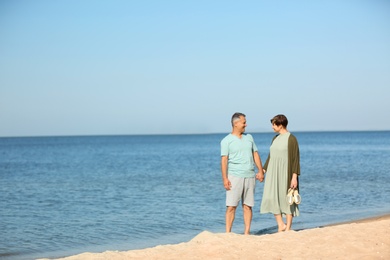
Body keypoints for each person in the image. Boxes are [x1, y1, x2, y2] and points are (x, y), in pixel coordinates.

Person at [220, 112, 264, 235]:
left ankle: (247, 232)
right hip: (234, 177)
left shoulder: (249, 137)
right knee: (231, 206)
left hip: (250, 176)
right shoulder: (226, 141)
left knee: (248, 206)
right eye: (244, 122)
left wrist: (260, 171)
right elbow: (224, 160)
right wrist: (225, 178)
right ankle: (228, 233)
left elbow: (255, 154)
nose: (246, 124)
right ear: (236, 124)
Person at [260, 114, 300, 232]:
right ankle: (280, 225)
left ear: (280, 125)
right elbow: (271, 156)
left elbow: (295, 159)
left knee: (286, 198)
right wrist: (264, 169)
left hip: (286, 172)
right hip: (273, 172)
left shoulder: (291, 138)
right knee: (271, 197)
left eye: (274, 124)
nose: (272, 127)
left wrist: (294, 177)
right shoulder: (275, 138)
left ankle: (288, 228)